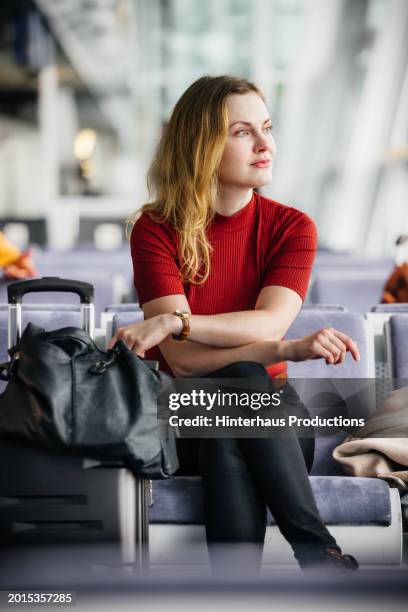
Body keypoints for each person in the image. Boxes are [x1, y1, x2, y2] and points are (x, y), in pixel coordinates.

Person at [109, 75, 360, 573]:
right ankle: (317, 551)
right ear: (202, 145)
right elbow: (182, 362)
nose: (266, 145)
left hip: (274, 424)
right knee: (241, 384)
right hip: (183, 421)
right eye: (244, 132)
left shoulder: (292, 228)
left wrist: (176, 321)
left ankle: (233, 593)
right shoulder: (156, 230)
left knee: (236, 405)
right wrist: (281, 351)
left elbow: (269, 322)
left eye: (267, 128)